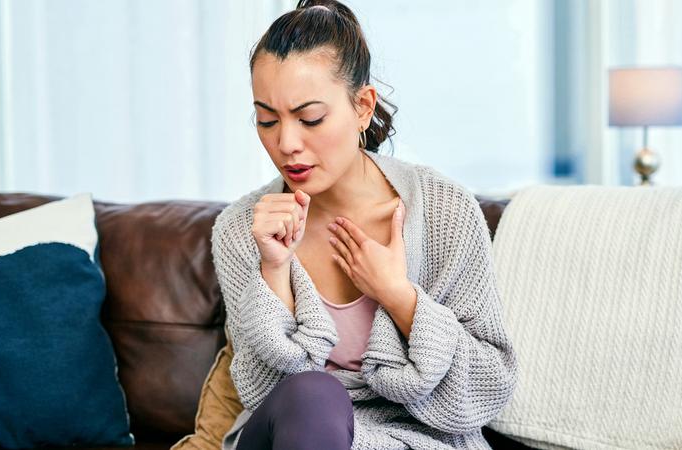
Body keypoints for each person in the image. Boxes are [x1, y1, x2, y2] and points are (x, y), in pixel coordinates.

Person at [210, 1, 518, 449]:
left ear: (362, 107)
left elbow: (487, 387)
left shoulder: (444, 211)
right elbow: (261, 393)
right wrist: (273, 272)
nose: (286, 143)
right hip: (290, 436)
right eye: (267, 120)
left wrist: (399, 297)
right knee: (314, 396)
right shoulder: (242, 232)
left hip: (418, 439)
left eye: (310, 118)